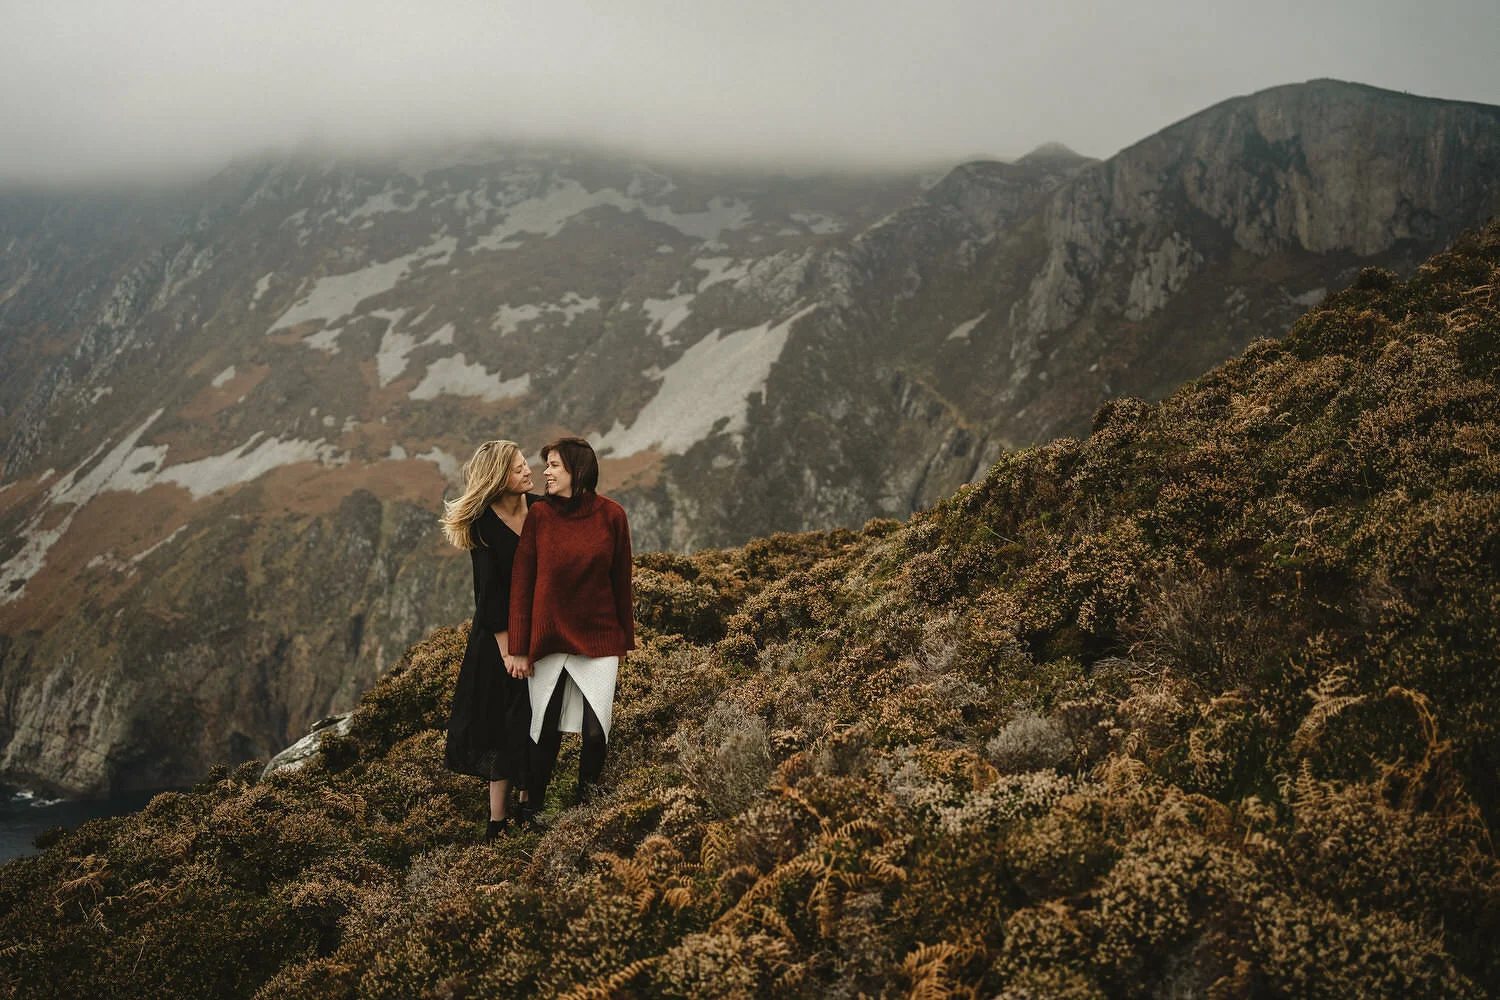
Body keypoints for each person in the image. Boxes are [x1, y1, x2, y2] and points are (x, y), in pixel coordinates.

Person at [506, 436, 634, 811]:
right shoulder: (540, 518)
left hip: (600, 637)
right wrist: (518, 646)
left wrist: (624, 640)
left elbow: (620, 581)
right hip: (548, 638)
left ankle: (584, 809)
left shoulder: (613, 516)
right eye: (546, 465)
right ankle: (534, 811)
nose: (544, 472)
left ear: (577, 471)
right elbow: (521, 582)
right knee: (543, 731)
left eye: (554, 465)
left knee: (596, 734)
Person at [440, 440, 543, 840]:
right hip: (499, 641)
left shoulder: (541, 509)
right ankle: (497, 823)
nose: (528, 471)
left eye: (525, 464)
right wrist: (509, 651)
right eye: (519, 468)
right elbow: (490, 593)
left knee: (534, 720)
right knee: (503, 725)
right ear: (500, 478)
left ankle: (529, 806)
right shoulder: (483, 524)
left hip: (539, 633)